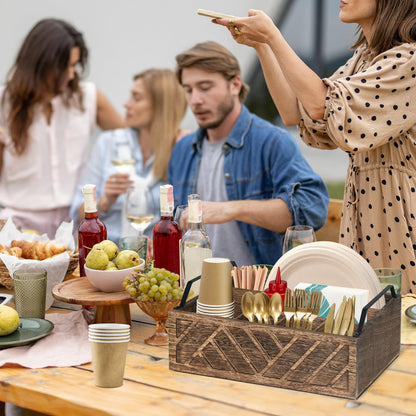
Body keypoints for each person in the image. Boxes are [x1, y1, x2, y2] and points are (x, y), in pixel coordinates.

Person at [214, 1, 416, 293]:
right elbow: (296, 112)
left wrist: (274, 36)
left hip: (400, 222)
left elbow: (322, 104)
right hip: (363, 222)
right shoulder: (365, 59)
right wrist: (263, 47)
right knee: (366, 324)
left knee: (398, 326)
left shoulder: (410, 60)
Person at [168, 41, 329, 267]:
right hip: (194, 289)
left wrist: (231, 209)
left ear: (234, 85)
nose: (195, 100)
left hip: (256, 293)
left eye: (205, 87)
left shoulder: (272, 141)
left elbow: (312, 208)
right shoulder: (183, 149)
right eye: (188, 90)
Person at [0, 18, 124, 238]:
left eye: (74, 65)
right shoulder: (4, 102)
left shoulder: (88, 96)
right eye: (64, 66)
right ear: (39, 65)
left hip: (76, 223)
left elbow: (128, 140)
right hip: (16, 225)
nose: (71, 74)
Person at [70, 68, 187, 245]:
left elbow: (187, 218)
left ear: (161, 106)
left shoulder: (183, 149)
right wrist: (104, 202)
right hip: (105, 257)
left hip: (156, 259)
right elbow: (77, 216)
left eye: (136, 98)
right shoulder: (109, 142)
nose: (126, 104)